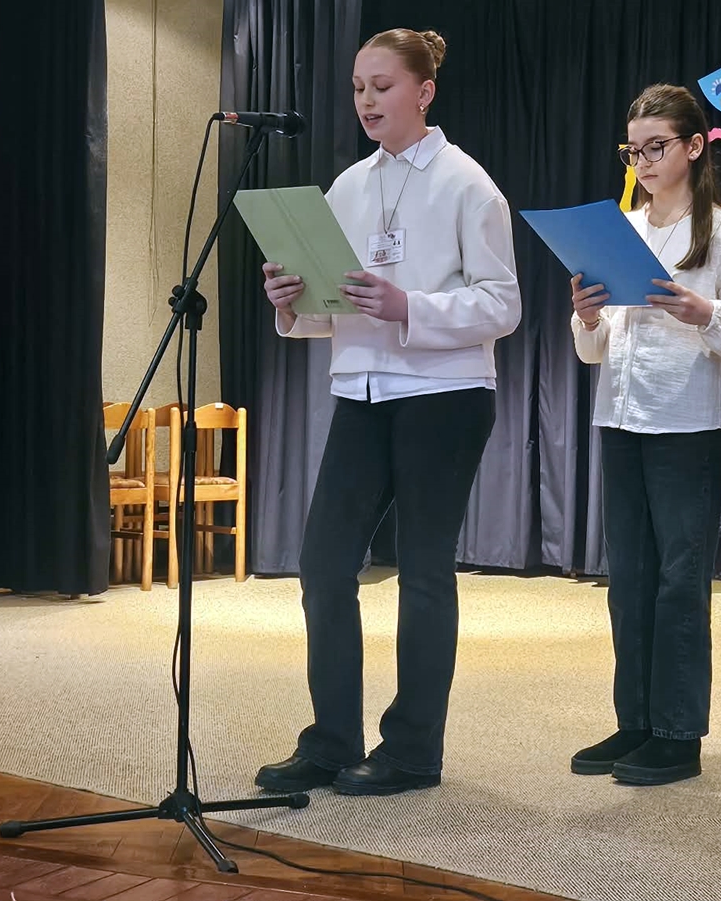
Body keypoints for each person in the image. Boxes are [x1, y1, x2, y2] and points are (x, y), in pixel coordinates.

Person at [254, 28, 521, 797]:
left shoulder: (469, 184)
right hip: (362, 391)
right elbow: (333, 306)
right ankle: (332, 739)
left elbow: (503, 305)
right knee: (323, 563)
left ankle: (411, 751)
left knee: (424, 571)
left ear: (424, 91)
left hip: (445, 395)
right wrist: (291, 302)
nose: (366, 100)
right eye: (357, 88)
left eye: (382, 85)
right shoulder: (347, 186)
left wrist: (411, 306)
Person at [567, 84, 721, 786]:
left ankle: (678, 734)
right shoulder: (621, 228)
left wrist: (702, 312)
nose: (644, 161)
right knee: (627, 581)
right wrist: (586, 315)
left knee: (678, 582)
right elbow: (594, 350)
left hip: (686, 424)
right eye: (633, 150)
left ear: (694, 146)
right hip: (619, 419)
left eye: (656, 146)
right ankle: (635, 722)